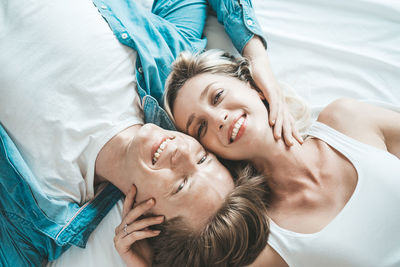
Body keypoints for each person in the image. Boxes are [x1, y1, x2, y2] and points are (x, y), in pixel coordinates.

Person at [0, 0, 293, 266]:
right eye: (203, 158)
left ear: (149, 224)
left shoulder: (34, 227)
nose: (182, 153)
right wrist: (256, 54)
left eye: (180, 186)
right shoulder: (168, 66)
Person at [163, 49, 400, 266]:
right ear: (210, 152)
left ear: (253, 86)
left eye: (217, 97)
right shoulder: (268, 242)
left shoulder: (346, 119)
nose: (218, 119)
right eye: (201, 128)